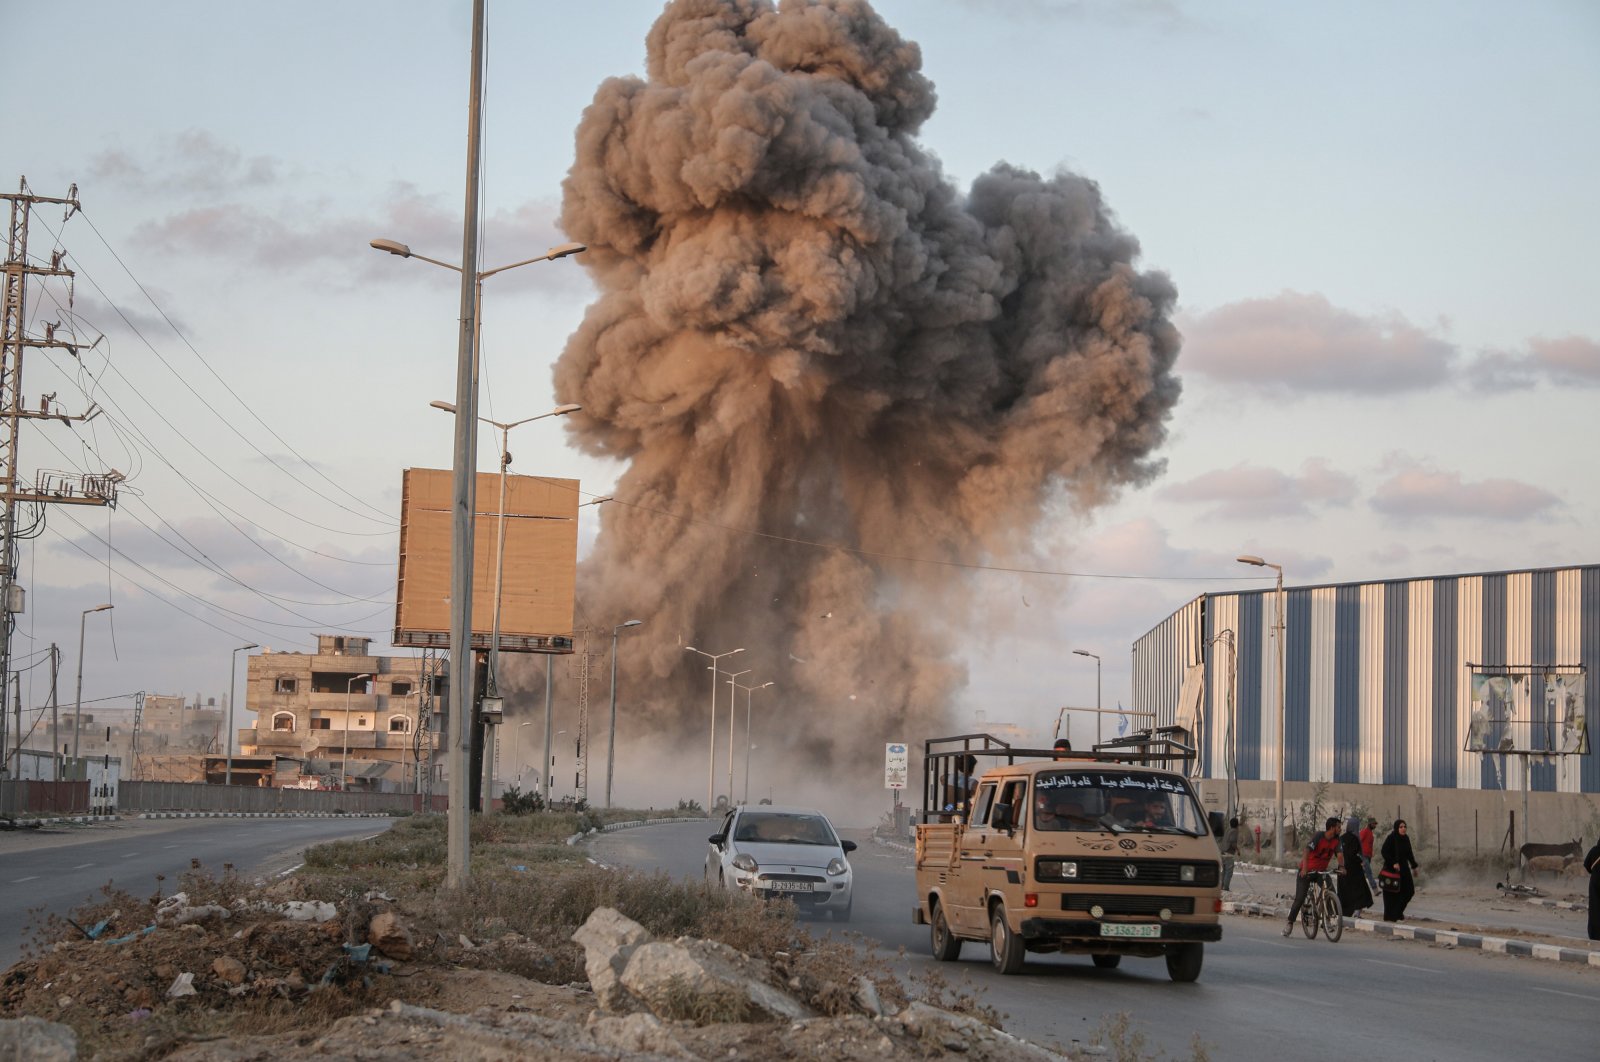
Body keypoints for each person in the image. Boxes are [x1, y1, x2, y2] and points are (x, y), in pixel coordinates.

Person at [1284, 817, 1343, 936]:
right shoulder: (1318, 836)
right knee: (1300, 898)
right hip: (1307, 871)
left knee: (1331, 891)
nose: (1340, 829)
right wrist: (1305, 869)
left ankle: (1328, 919)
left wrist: (1342, 867)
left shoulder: (1337, 840)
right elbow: (1306, 851)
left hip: (1321, 872)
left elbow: (1340, 855)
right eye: (1338, 827)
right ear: (1332, 828)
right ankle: (1290, 922)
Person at [1379, 819, 1420, 922]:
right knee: (1392, 894)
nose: (1403, 829)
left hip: (1404, 869)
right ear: (1397, 828)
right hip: (1391, 870)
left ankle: (1397, 912)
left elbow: (1409, 854)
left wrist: (1414, 866)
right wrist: (1393, 862)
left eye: (1405, 827)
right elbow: (1384, 851)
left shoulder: (1406, 838)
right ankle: (1392, 916)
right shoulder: (1391, 838)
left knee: (1409, 891)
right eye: (1401, 827)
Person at [1338, 816, 1373, 917]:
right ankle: (1356, 913)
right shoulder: (1355, 839)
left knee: (1345, 892)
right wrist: (1360, 861)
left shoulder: (1342, 838)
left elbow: (1339, 853)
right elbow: (1353, 854)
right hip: (1354, 869)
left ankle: (1346, 913)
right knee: (1359, 891)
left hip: (1342, 868)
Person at [1583, 839, 1600, 941]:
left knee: (1595, 908)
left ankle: (1595, 934)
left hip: (1595, 883)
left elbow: (1586, 865)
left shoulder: (1594, 850)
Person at [1220, 817, 1240, 891]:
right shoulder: (1234, 831)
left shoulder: (1227, 830)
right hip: (1229, 854)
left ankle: (1221, 886)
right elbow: (1232, 842)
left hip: (1223, 853)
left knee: (1224, 871)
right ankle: (1226, 887)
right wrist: (1238, 850)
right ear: (1237, 825)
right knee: (1228, 872)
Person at [1359, 817, 1378, 890]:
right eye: (1374, 824)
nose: (1375, 825)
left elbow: (1369, 845)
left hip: (1368, 856)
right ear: (1370, 824)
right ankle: (1375, 888)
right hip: (1363, 855)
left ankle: (1358, 886)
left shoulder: (1370, 833)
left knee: (1363, 872)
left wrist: (1371, 852)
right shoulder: (1364, 832)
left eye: (1375, 824)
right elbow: (1359, 841)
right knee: (1369, 872)